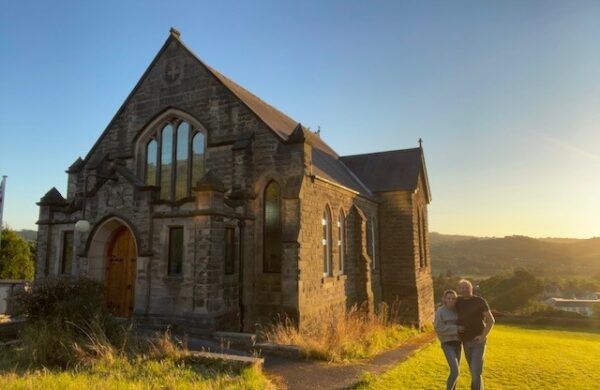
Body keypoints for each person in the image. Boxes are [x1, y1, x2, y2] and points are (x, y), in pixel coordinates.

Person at [456, 279, 495, 390]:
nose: (465, 290)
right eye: (462, 288)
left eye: (467, 287)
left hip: (478, 342)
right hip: (465, 342)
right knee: (475, 371)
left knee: (475, 370)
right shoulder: (458, 301)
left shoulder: (479, 301)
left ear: (471, 288)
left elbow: (491, 320)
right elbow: (447, 305)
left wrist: (483, 336)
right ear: (459, 289)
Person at [434, 289, 463, 390]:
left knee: (456, 372)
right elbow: (438, 328)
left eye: (453, 298)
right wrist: (456, 329)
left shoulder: (458, 310)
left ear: (456, 300)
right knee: (455, 371)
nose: (451, 300)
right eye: (449, 298)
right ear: (444, 299)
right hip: (447, 344)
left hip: (458, 344)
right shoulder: (440, 311)